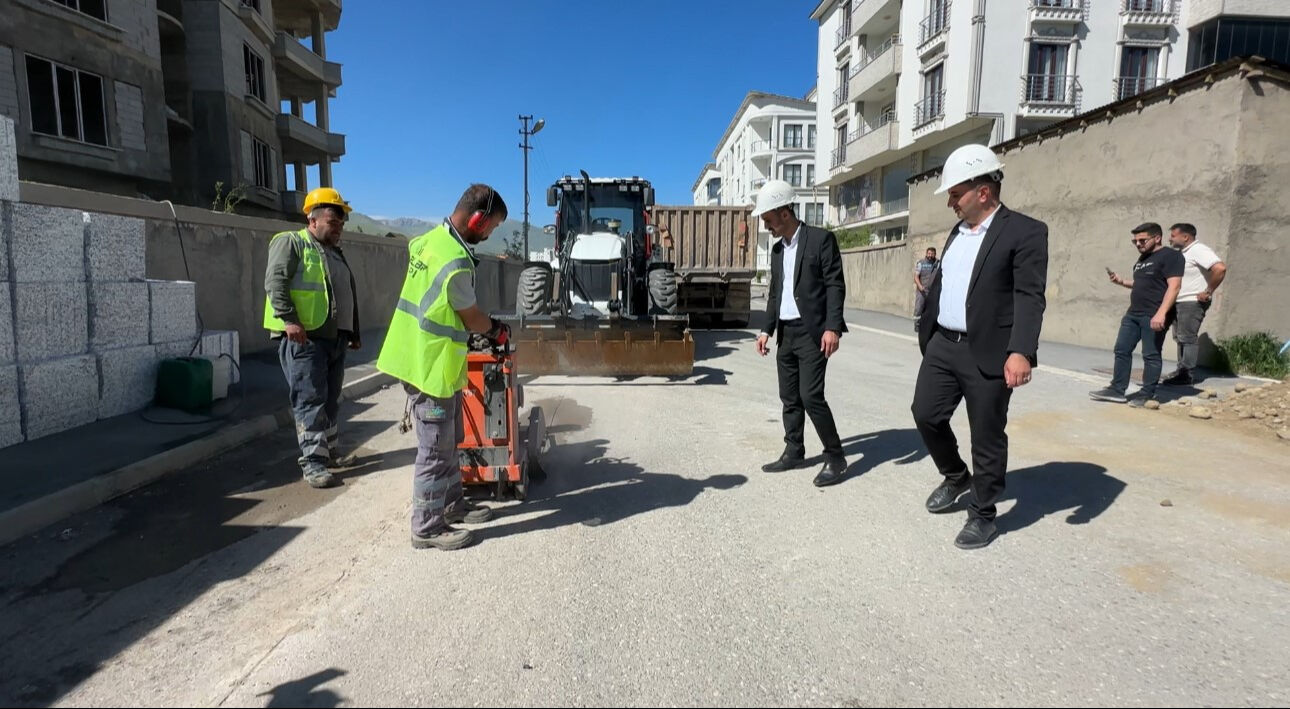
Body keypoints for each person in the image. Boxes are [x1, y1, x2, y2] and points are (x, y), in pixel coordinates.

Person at [911, 144, 1049, 550]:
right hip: (943, 345)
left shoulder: (1026, 232)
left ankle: (983, 513)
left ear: (983, 192)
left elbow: (1029, 296)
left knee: (986, 435)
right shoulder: (957, 232)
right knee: (926, 414)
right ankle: (956, 476)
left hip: (989, 350)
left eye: (956, 193)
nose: (950, 202)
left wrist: (1021, 350)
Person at [377, 184, 511, 551]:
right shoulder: (455, 263)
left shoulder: (427, 241)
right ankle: (427, 526)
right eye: (492, 227)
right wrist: (496, 330)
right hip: (428, 366)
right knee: (435, 450)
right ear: (477, 219)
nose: (490, 234)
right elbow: (471, 318)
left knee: (449, 442)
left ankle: (451, 505)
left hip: (426, 358)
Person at [263, 187, 362, 489]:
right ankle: (313, 463)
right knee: (310, 401)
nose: (339, 229)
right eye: (334, 223)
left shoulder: (333, 253)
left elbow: (346, 295)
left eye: (341, 224)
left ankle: (330, 454)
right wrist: (290, 320)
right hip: (304, 340)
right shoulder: (291, 243)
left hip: (334, 340)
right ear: (313, 219)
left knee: (331, 401)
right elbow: (275, 281)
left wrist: (352, 332)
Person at [753, 179, 848, 488]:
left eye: (768, 219)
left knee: (811, 397)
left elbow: (835, 284)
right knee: (789, 397)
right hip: (787, 334)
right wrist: (766, 330)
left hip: (813, 333)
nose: (766, 226)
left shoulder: (821, 240)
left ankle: (835, 457)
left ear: (783, 212)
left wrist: (833, 327)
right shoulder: (779, 250)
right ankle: (794, 450)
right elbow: (775, 293)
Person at [1089, 222, 1184, 406]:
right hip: (1133, 313)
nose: (1138, 244)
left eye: (1142, 240)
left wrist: (1161, 313)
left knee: (1150, 354)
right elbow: (1144, 283)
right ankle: (1117, 390)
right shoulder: (1142, 260)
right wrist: (1122, 281)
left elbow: (1174, 286)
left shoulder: (1171, 256)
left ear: (1157, 238)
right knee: (1122, 349)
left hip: (1153, 313)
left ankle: (1147, 393)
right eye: (1135, 241)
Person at [1161, 223, 1226, 386]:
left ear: (1185, 237)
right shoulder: (1184, 253)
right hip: (1180, 301)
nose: (1170, 238)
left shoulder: (1198, 250)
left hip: (1192, 302)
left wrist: (1208, 291)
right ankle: (1181, 370)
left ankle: (1186, 374)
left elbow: (1220, 268)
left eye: (1173, 235)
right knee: (1180, 337)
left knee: (1187, 338)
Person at [912, 247, 939, 332]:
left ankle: (930, 325)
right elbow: (916, 277)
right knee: (919, 307)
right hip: (922, 290)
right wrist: (920, 286)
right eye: (929, 253)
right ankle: (917, 324)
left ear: (935, 254)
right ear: (926, 254)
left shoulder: (938, 264)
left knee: (932, 308)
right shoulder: (921, 263)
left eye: (932, 254)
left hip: (933, 291)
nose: (930, 255)